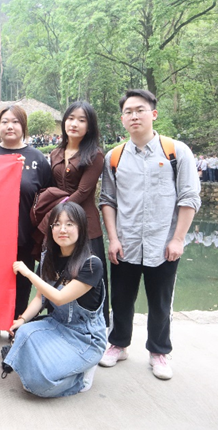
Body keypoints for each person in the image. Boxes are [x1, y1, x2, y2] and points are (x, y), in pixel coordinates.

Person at [99, 89, 201, 380]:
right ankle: (118, 344)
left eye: (140, 110)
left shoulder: (176, 152)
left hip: (163, 243)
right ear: (122, 119)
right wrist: (113, 239)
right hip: (126, 242)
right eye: (128, 112)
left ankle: (159, 351)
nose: (134, 116)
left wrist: (178, 239)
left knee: (160, 302)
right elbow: (108, 200)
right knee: (121, 299)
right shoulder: (114, 157)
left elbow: (189, 198)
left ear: (153, 114)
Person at [4, 202, 106, 397]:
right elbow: (40, 298)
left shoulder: (92, 264)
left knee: (37, 386)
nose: (62, 229)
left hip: (85, 338)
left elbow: (59, 298)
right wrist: (22, 319)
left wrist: (28, 273)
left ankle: (81, 377)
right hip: (56, 325)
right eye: (57, 224)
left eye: (69, 224)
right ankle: (51, 366)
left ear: (81, 228)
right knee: (23, 333)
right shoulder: (48, 258)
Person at [0, 105, 51, 346]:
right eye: (4, 122)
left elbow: (48, 197)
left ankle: (15, 324)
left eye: (15, 122)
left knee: (22, 280)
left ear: (23, 126)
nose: (10, 126)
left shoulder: (37, 159)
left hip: (25, 233)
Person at [49, 101, 110, 326]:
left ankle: (98, 327)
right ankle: (58, 321)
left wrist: (58, 214)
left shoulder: (94, 154)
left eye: (81, 120)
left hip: (86, 224)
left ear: (89, 126)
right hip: (60, 226)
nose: (74, 124)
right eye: (71, 118)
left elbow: (83, 191)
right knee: (58, 274)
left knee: (91, 277)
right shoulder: (55, 153)